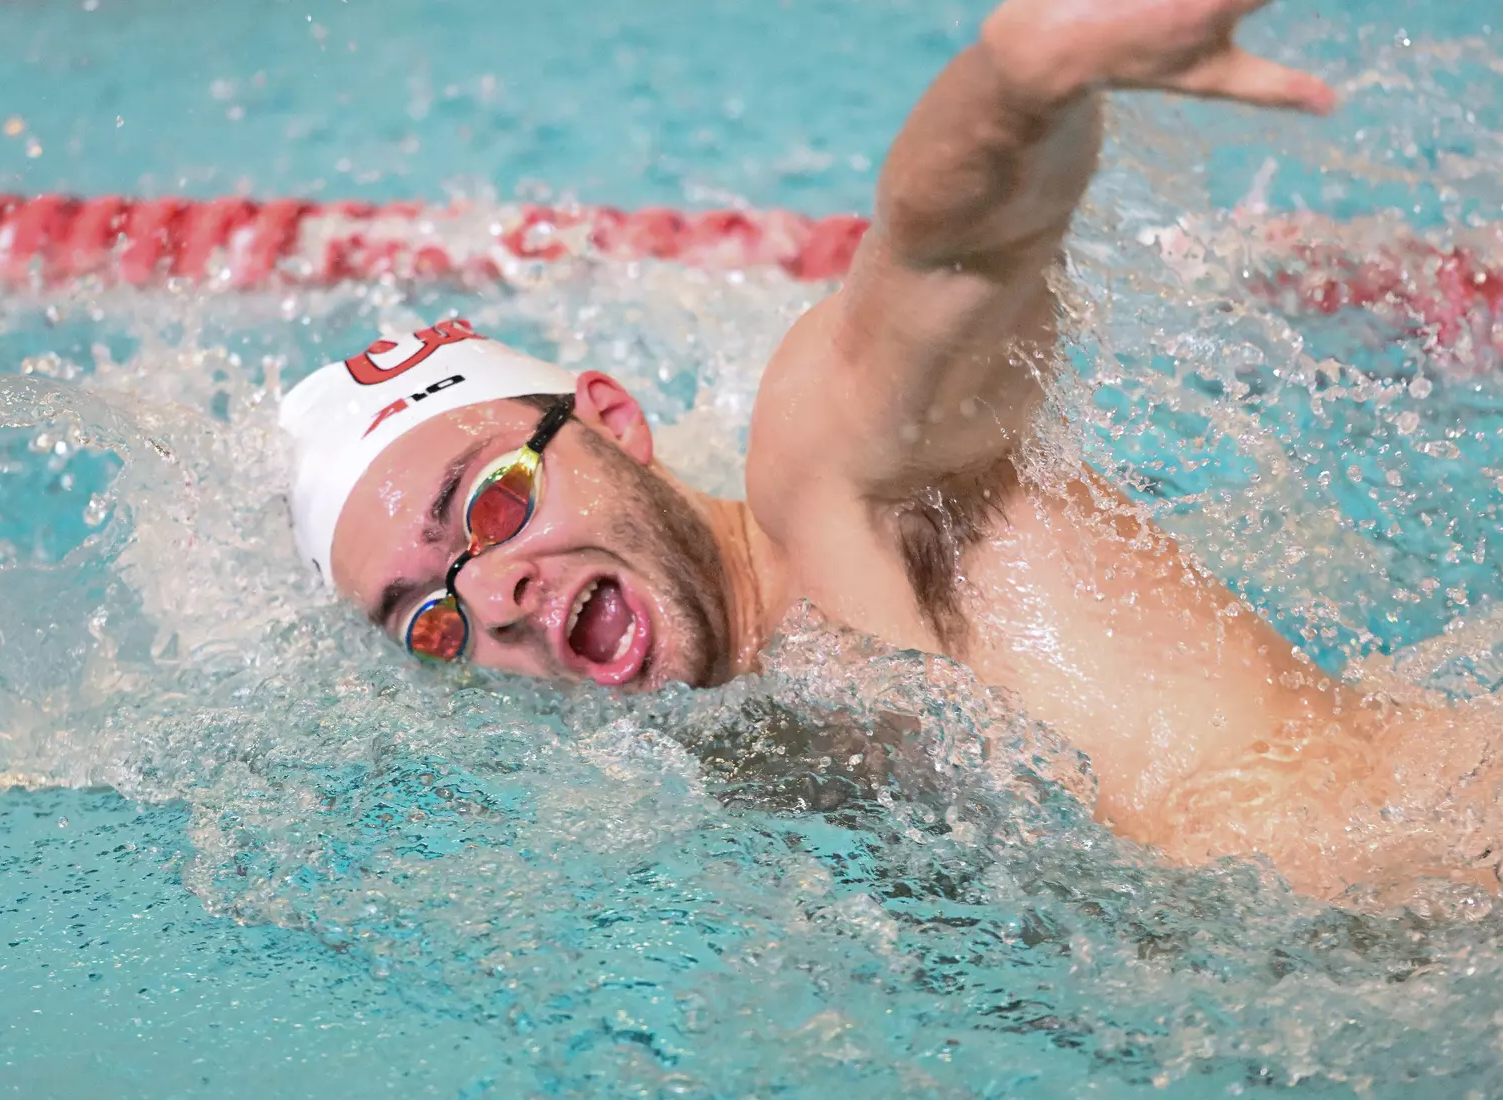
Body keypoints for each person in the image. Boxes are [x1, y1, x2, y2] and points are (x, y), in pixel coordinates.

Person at [279, 0, 1500, 901]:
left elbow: (944, 254)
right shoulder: (741, 754)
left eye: (487, 504)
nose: (488, 594)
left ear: (610, 419)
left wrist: (1024, 84)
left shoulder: (829, 486)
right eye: (427, 618)